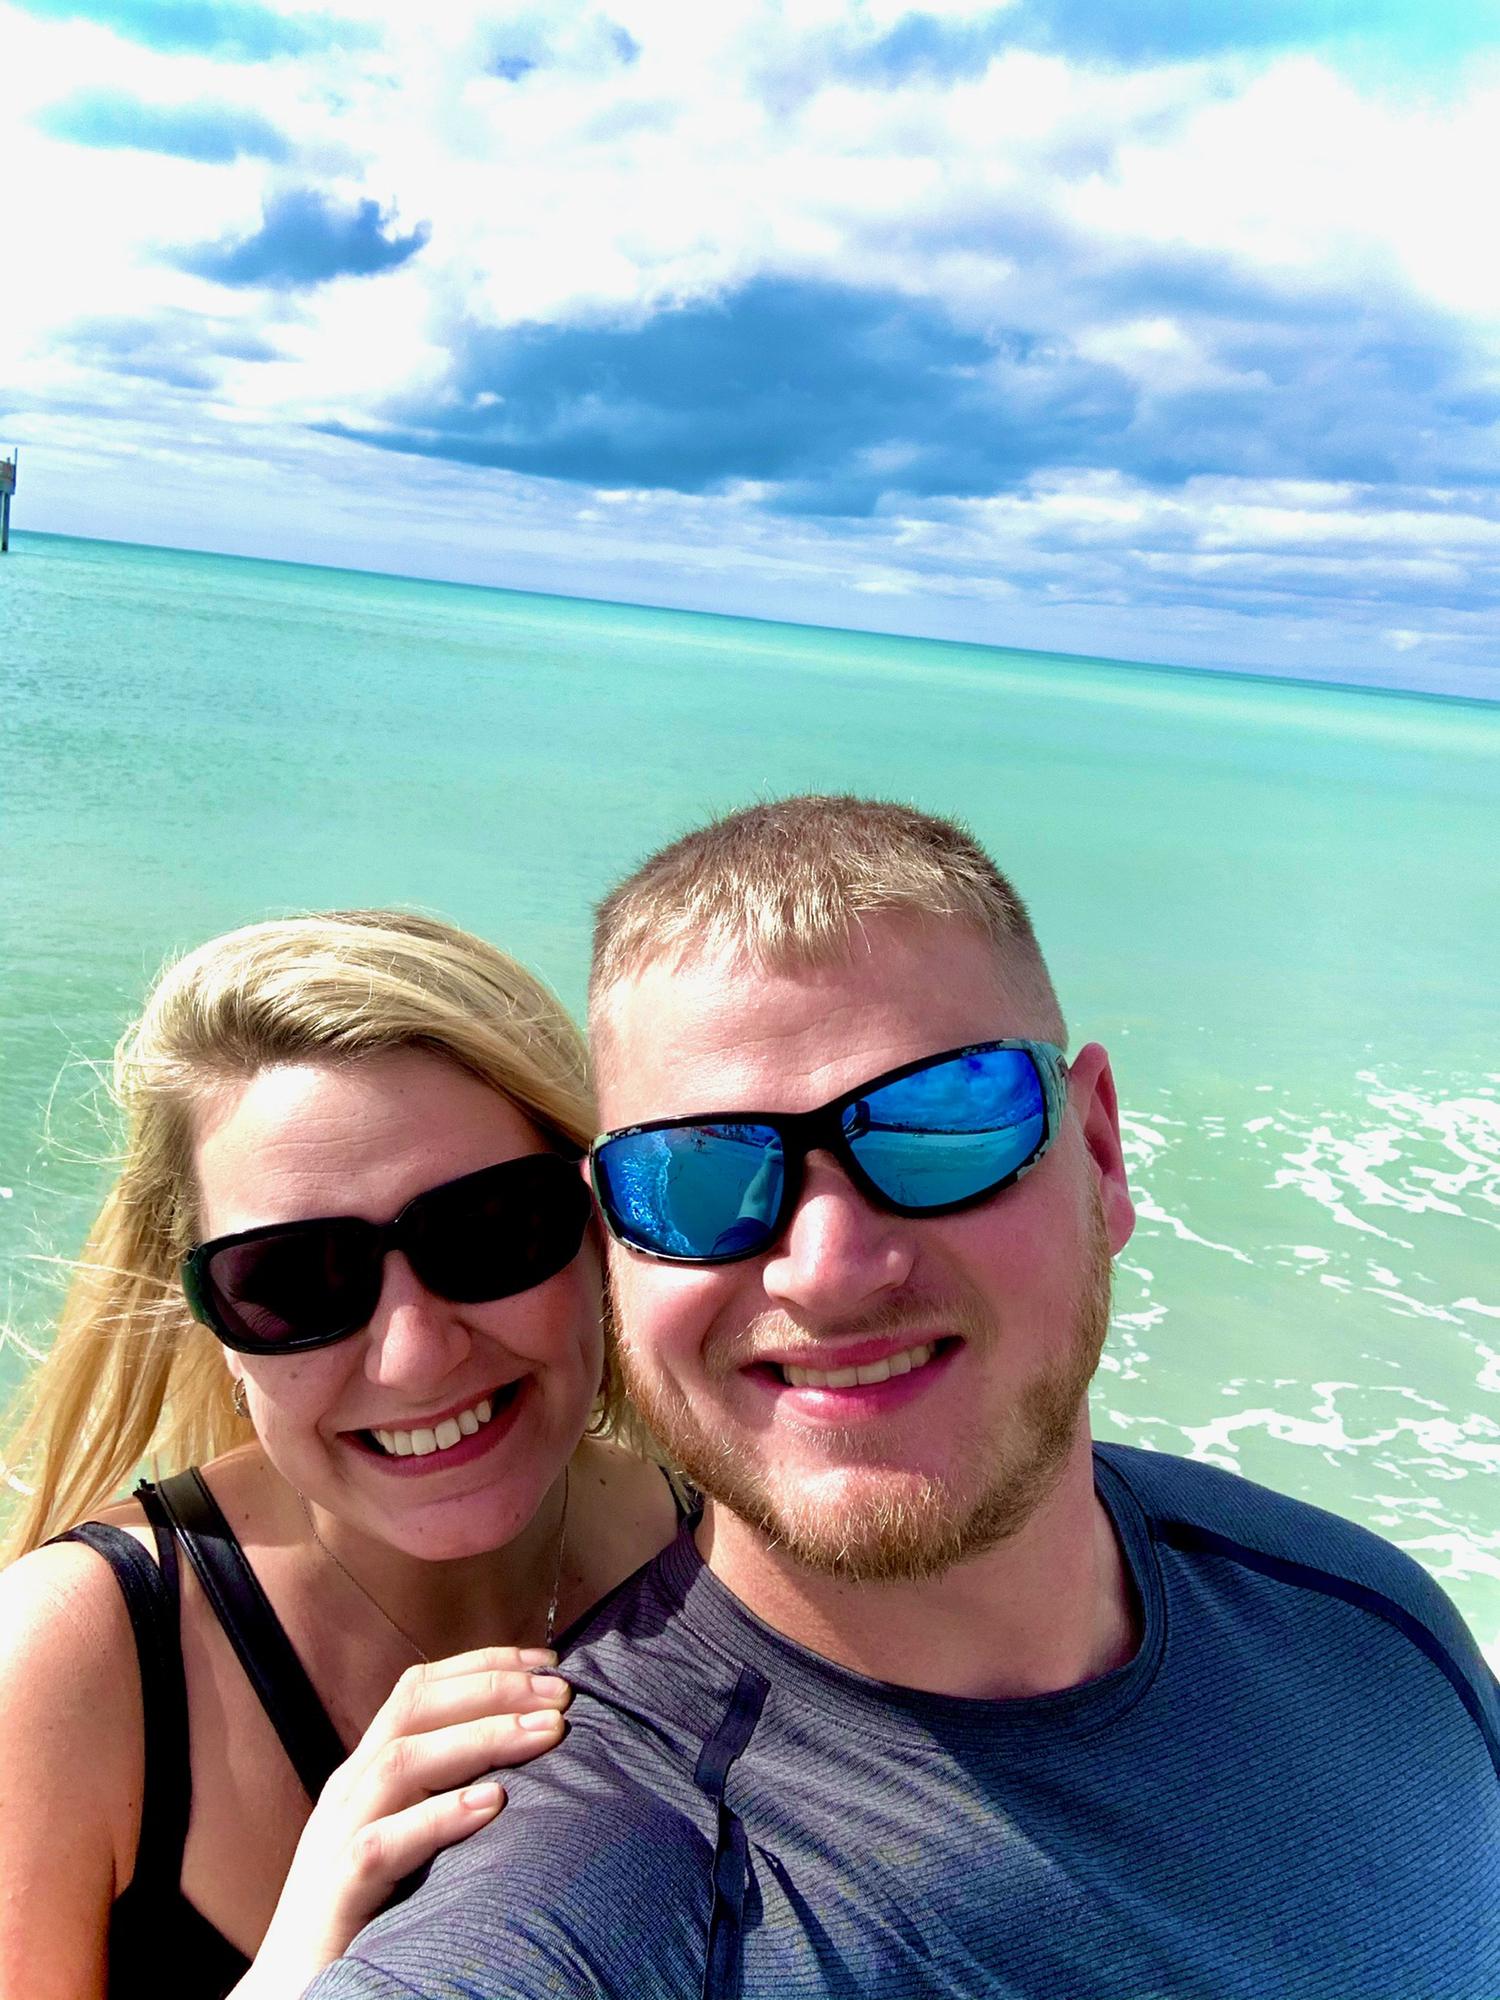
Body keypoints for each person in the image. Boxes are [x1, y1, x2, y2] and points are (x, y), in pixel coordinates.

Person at [313, 796, 1499, 2000]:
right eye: (697, 1174)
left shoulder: (1374, 1624)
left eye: (946, 1119)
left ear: (1099, 1154)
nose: (826, 1266)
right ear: (617, 1239)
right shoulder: (595, 1861)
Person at [0, 910, 685, 2000]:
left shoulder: (739, 1554)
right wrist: (296, 1971)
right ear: (215, 1325)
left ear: (601, 1226)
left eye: (491, 1228)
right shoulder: (72, 1662)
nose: (415, 1356)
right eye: (293, 1278)